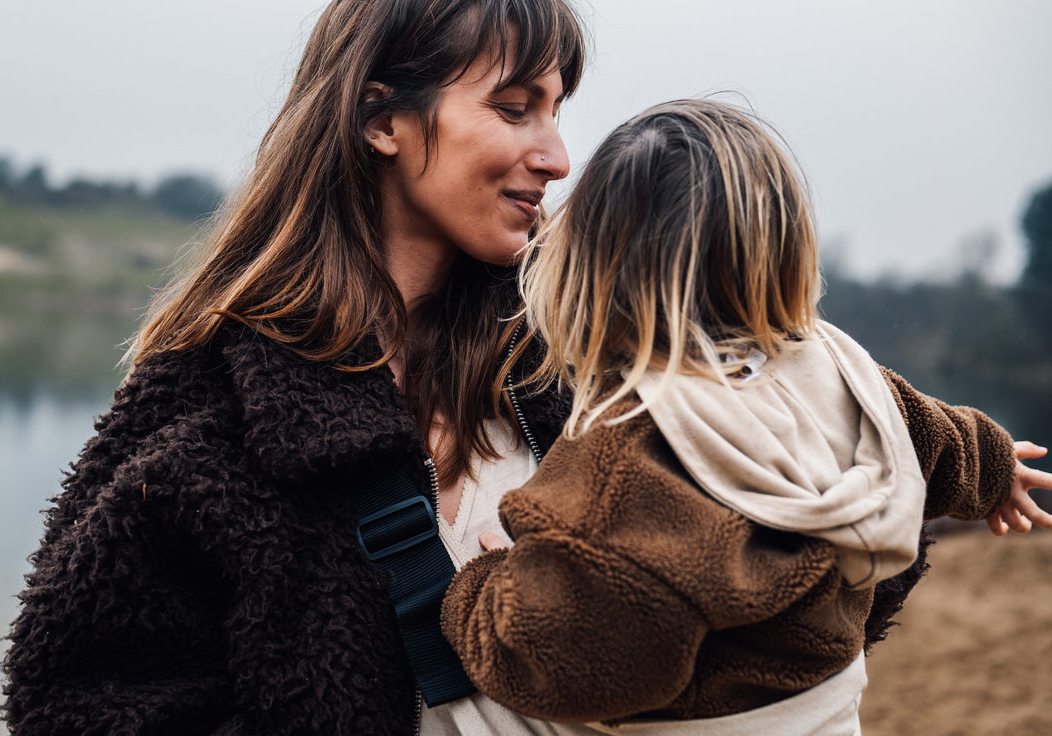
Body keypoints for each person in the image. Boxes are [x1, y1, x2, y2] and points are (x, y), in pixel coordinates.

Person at [0, 0, 588, 736]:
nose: (555, 156)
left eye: (556, 113)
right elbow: (78, 705)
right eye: (514, 108)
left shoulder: (572, 373)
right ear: (384, 121)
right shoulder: (210, 407)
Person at [441, 99, 1052, 734]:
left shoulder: (628, 451)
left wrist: (484, 589)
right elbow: (927, 435)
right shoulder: (834, 367)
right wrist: (994, 465)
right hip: (831, 712)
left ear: (591, 272)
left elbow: (578, 663)